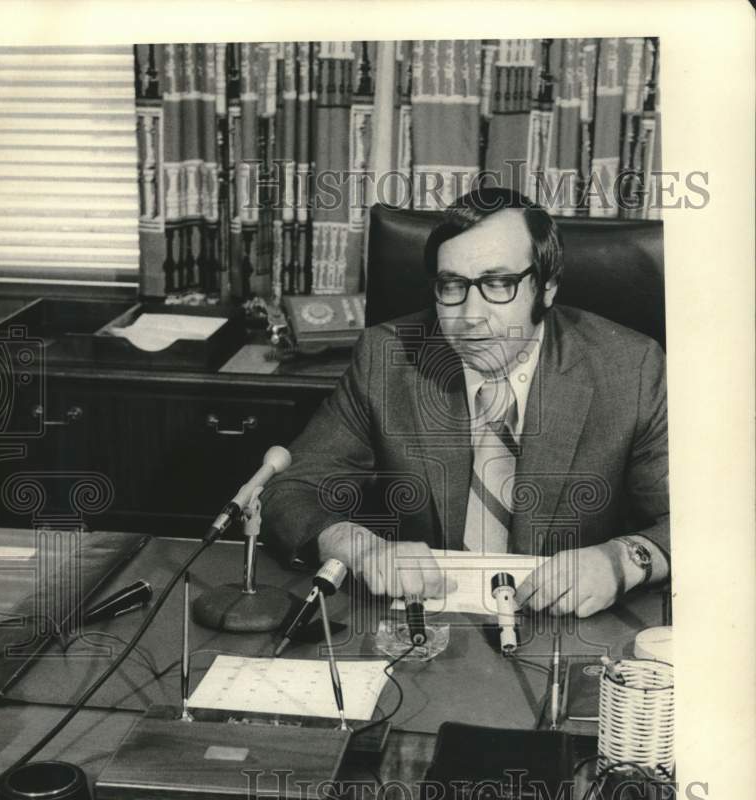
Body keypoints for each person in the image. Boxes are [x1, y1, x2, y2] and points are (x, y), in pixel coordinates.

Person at [262, 187, 669, 618]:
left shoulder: (631, 368)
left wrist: (623, 560)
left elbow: (703, 523)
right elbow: (291, 490)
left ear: (547, 286)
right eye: (452, 285)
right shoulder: (389, 358)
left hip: (565, 624)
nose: (471, 315)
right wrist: (358, 546)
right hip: (424, 625)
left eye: (498, 284)